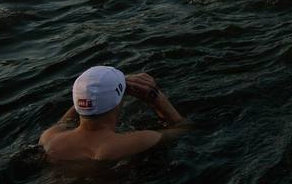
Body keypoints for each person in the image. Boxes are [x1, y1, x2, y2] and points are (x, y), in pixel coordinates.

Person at [39, 66, 185, 162]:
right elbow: (183, 129)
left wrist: (87, 94)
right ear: (118, 99)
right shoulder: (137, 141)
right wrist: (156, 97)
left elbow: (64, 122)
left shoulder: (50, 139)